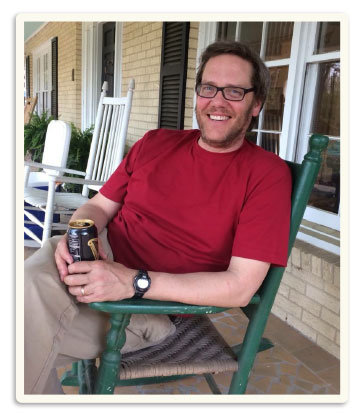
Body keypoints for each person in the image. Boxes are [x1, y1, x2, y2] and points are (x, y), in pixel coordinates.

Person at [24, 40, 292, 394]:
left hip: (141, 306)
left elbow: (241, 286)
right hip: (90, 259)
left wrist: (132, 282)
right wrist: (80, 228)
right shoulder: (156, 143)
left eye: (235, 91)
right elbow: (99, 207)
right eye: (209, 87)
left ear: (256, 103)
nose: (218, 101)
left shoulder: (265, 175)